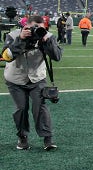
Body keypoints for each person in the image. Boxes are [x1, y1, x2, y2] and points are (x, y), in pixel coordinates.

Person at [2, 15, 62, 150]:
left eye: (41, 28)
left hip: (37, 78)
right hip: (15, 79)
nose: (37, 30)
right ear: (26, 26)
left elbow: (57, 57)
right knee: (21, 108)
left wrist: (47, 42)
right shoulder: (13, 35)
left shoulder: (48, 36)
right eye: (34, 27)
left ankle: (48, 139)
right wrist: (21, 39)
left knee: (40, 107)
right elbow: (7, 57)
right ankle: (22, 137)